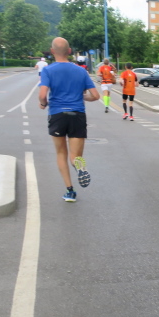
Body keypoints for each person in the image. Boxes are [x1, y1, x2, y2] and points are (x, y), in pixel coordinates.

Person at [39, 37, 100, 202]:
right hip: (77, 114)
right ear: (69, 51)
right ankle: (79, 166)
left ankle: (70, 191)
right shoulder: (81, 71)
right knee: (75, 156)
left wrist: (43, 104)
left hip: (57, 115)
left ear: (52, 51)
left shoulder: (48, 70)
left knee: (61, 153)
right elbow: (95, 96)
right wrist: (82, 97)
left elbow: (43, 95)